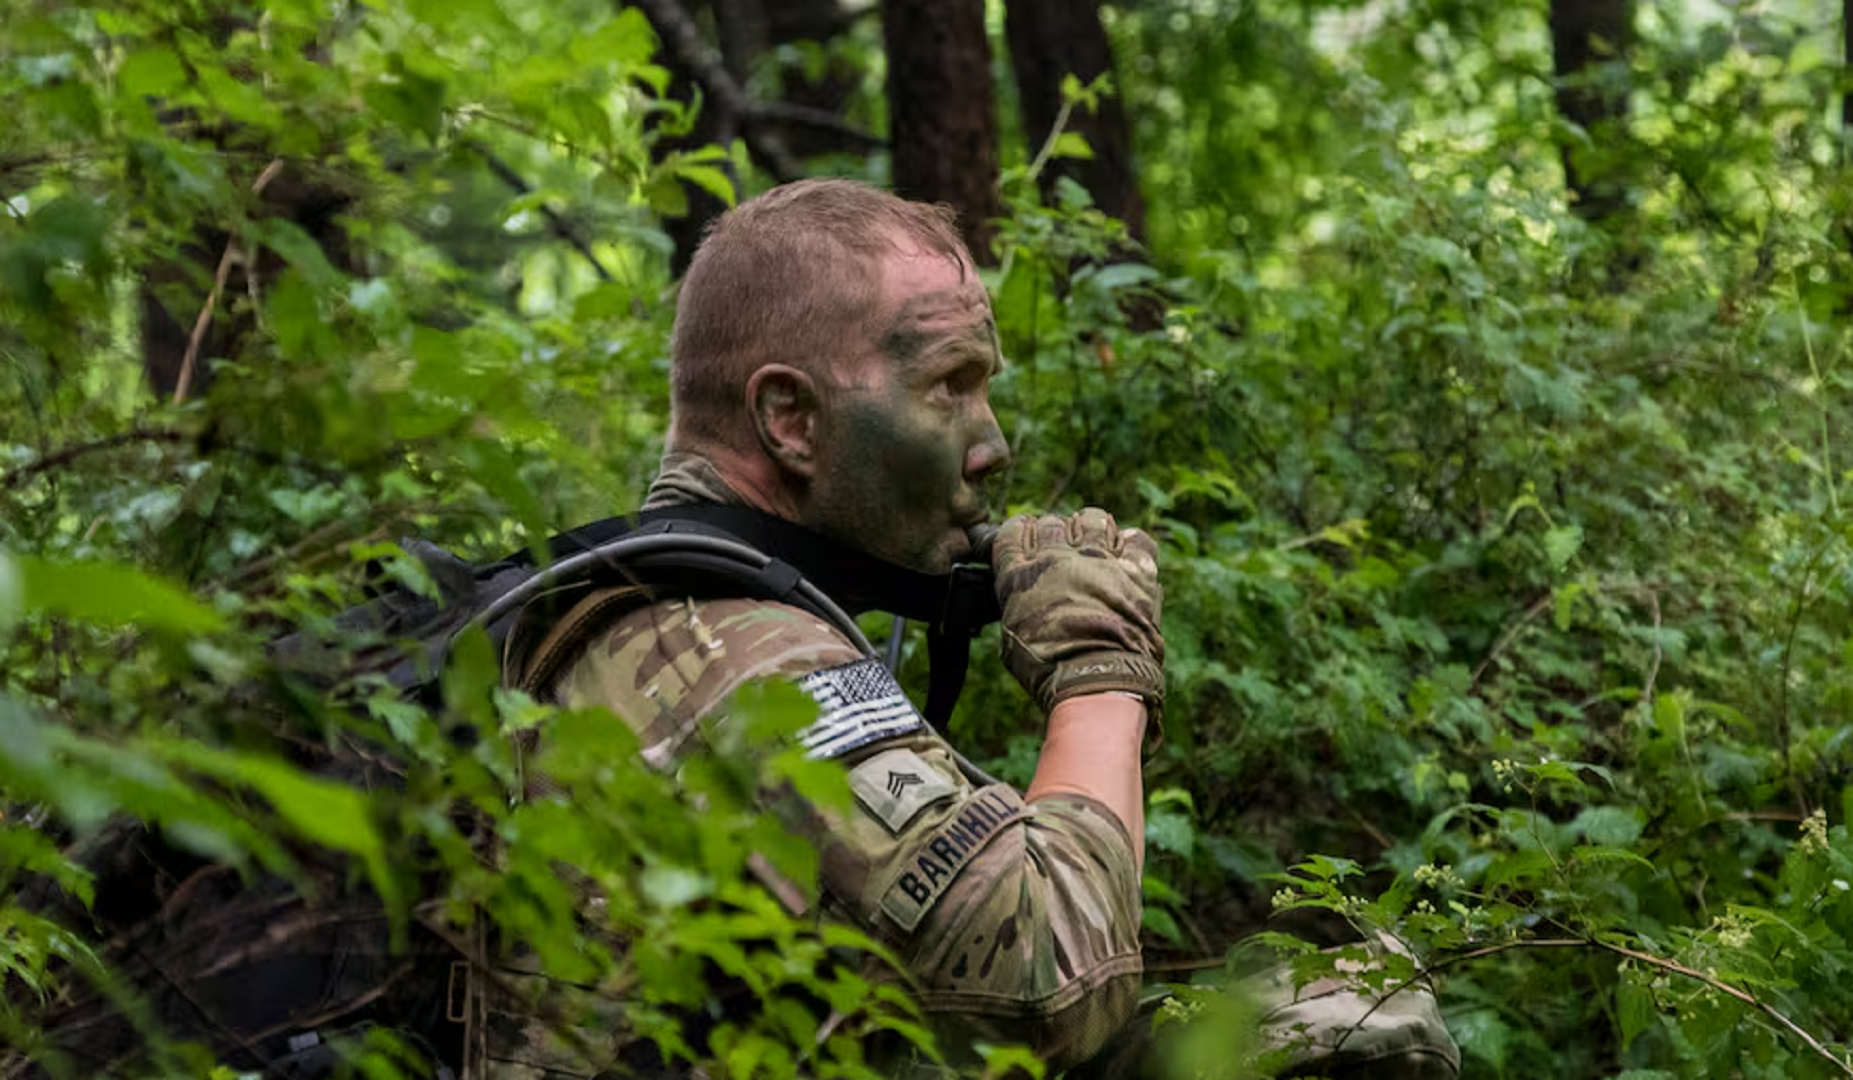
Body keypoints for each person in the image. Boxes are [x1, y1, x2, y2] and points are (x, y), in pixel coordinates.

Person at [509, 179, 1459, 1078]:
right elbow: (1051, 982)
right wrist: (1100, 666)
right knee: (1359, 1025)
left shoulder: (633, 609)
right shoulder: (743, 664)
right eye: (948, 386)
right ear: (790, 419)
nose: (993, 442)